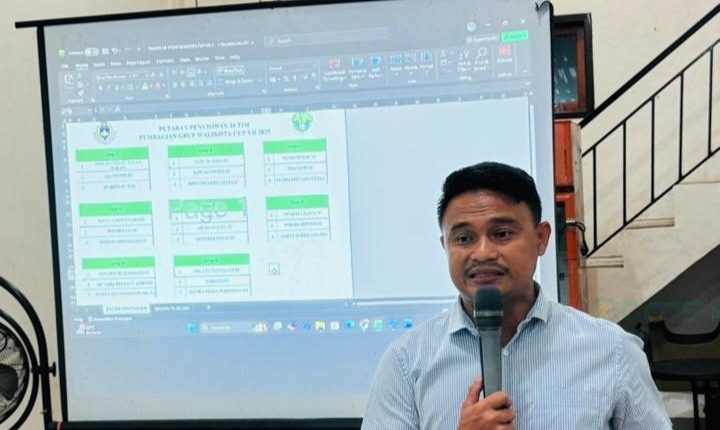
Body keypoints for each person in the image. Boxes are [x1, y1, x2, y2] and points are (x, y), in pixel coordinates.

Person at [361, 162, 671, 429]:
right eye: (464, 238)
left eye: (502, 234)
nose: (482, 253)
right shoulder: (406, 361)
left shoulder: (612, 350)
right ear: (445, 246)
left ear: (541, 239)